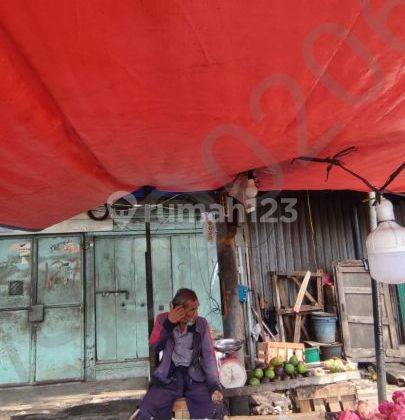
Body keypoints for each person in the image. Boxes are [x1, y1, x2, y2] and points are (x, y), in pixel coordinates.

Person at [137, 288, 224, 419]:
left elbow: (208, 357)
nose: (196, 313)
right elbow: (154, 347)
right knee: (147, 409)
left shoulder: (201, 324)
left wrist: (214, 386)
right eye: (192, 310)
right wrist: (169, 324)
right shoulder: (163, 320)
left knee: (215, 408)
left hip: (194, 378)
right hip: (169, 378)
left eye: (196, 308)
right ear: (179, 310)